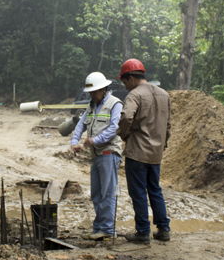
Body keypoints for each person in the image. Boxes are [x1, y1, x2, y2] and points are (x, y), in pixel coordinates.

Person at [116, 59, 171, 243]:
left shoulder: (134, 95)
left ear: (130, 78)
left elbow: (125, 118)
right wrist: (162, 144)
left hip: (137, 151)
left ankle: (142, 232)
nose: (125, 87)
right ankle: (163, 229)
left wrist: (123, 135)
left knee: (138, 192)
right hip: (156, 153)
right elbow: (168, 126)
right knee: (155, 189)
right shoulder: (164, 94)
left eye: (125, 83)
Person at [70, 72, 123, 241]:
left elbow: (114, 128)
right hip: (96, 155)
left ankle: (107, 230)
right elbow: (81, 124)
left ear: (103, 89)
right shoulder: (92, 105)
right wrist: (74, 141)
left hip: (108, 153)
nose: (92, 95)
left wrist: (94, 140)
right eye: (90, 93)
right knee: (96, 193)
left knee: (108, 193)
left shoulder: (115, 104)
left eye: (94, 92)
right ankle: (99, 227)